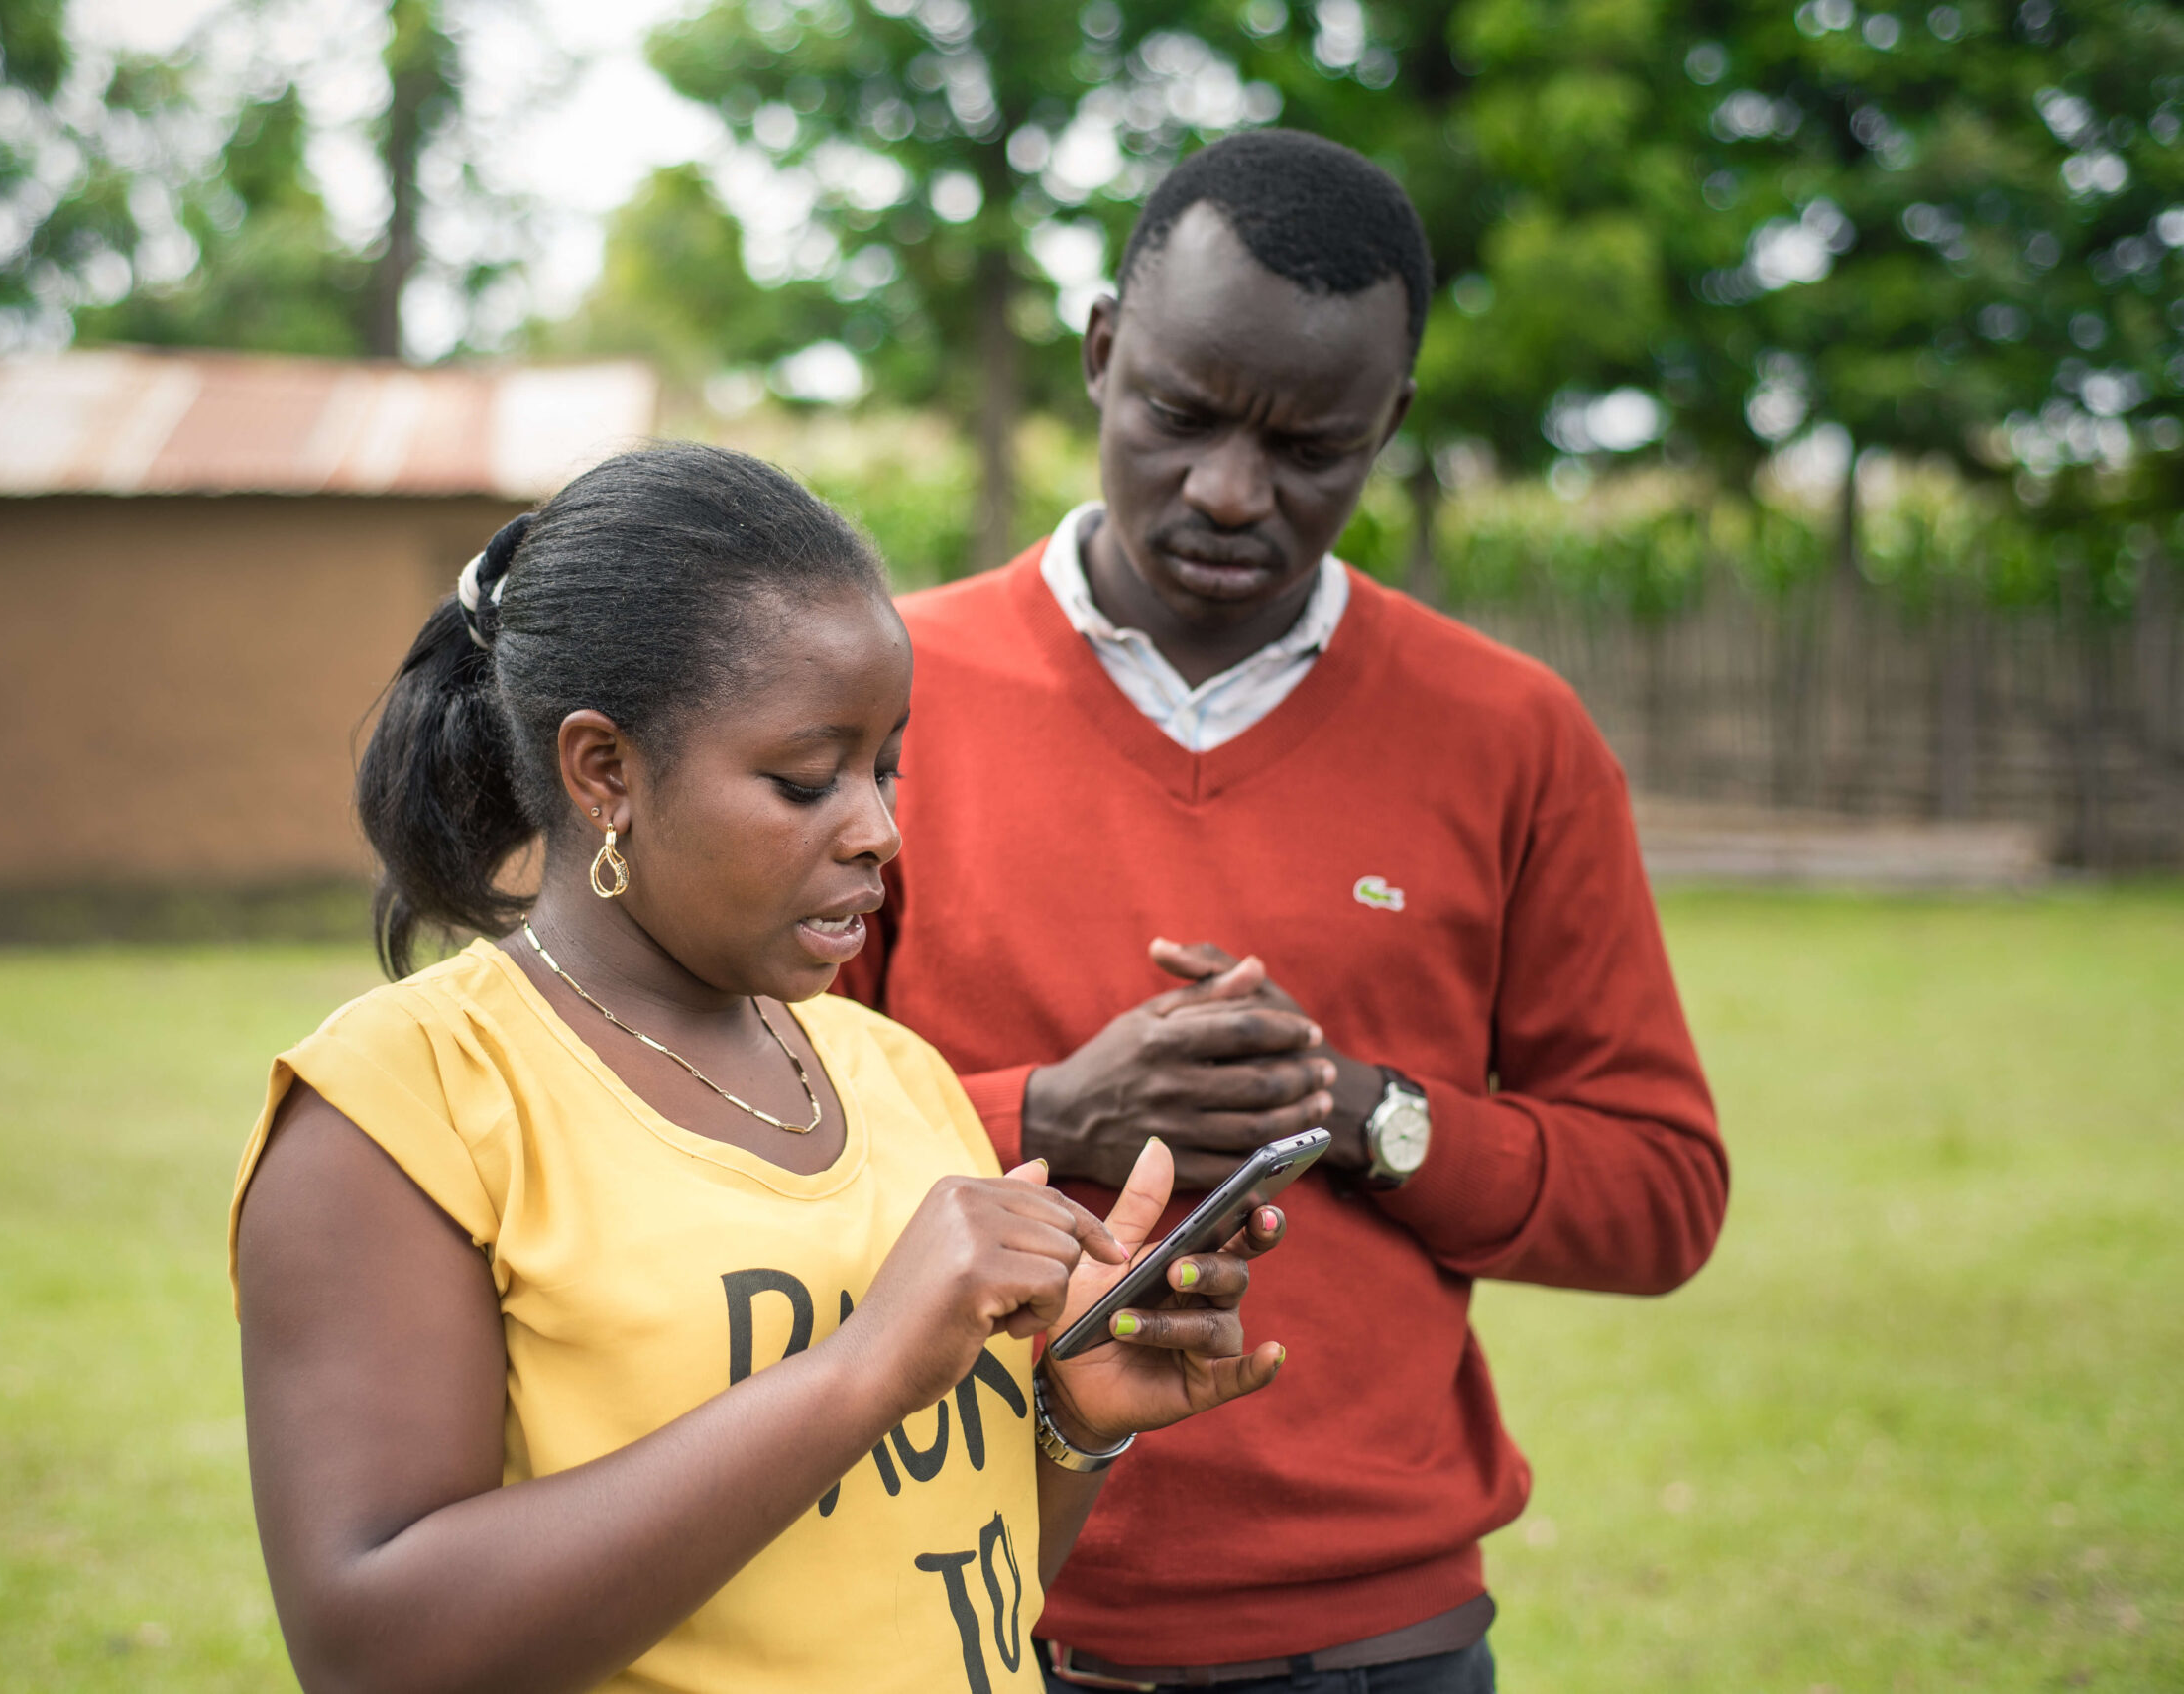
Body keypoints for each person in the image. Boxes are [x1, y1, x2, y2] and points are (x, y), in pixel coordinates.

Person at [834, 130, 1729, 1690]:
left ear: (1391, 422)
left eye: (1312, 444)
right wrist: (1051, 1109)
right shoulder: (884, 699)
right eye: (1180, 414)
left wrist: (1366, 1110)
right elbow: (733, 1142)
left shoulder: (1510, 737)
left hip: (1370, 1640)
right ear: (1104, 353)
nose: (1230, 490)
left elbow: (1662, 1193)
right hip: (942, 1601)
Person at [226, 442, 1292, 1694]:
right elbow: (371, 1650)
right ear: (604, 770)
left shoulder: (894, 1073)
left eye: (886, 764)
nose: (879, 830)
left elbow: (944, 1584)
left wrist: (1069, 1424)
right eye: (805, 780)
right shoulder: (405, 1106)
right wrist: (859, 1369)